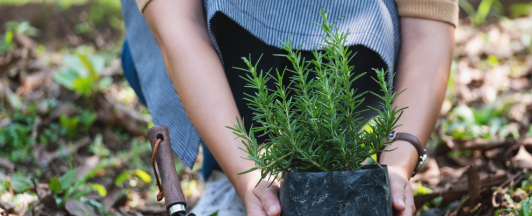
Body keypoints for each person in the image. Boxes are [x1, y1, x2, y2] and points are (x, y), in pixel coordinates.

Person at [120, 0, 456, 215]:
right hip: (340, 54)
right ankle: (231, 173)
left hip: (352, 47)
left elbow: (428, 24)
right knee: (143, 43)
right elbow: (177, 27)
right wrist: (247, 174)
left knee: (146, 42)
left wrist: (397, 164)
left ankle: (248, 174)